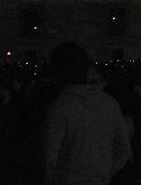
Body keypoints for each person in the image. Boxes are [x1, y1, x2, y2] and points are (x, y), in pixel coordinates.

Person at [41, 41, 132, 185]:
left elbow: (49, 156)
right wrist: (104, 174)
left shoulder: (61, 106)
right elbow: (123, 149)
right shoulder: (110, 103)